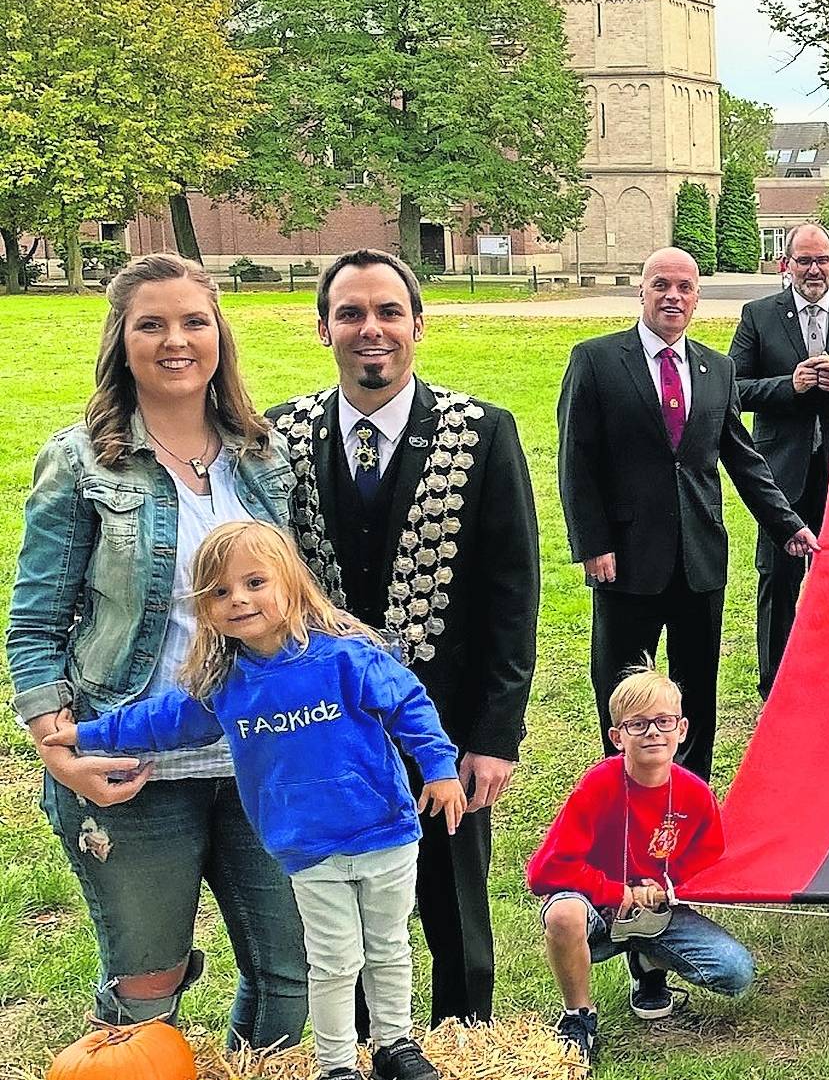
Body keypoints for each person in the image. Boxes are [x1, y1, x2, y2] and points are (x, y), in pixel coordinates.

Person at [5, 254, 308, 1046]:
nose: (177, 340)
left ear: (219, 335)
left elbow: (309, 605)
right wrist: (58, 753)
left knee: (293, 977)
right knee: (147, 988)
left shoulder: (265, 457)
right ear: (121, 340)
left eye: (194, 321)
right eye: (153, 324)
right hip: (131, 770)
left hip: (259, 758)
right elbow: (34, 628)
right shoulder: (81, 462)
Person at [49, 521, 467, 1080]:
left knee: (389, 946)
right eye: (220, 592)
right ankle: (337, 1064)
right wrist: (86, 735)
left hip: (384, 830)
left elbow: (410, 707)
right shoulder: (227, 684)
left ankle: (394, 1044)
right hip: (305, 848)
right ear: (205, 607)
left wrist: (440, 769)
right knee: (333, 961)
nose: (238, 599)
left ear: (290, 583)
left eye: (254, 582)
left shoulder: (346, 658)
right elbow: (166, 721)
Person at [268, 248, 540, 1029]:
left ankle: (462, 1037)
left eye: (388, 311)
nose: (370, 329)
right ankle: (352, 1046)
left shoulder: (480, 431)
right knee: (337, 913)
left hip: (445, 728)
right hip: (328, 732)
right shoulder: (283, 435)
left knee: (454, 904)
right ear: (323, 327)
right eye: (350, 313)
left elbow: (512, 596)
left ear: (418, 323)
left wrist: (494, 735)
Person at [556, 246, 818, 781]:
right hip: (626, 558)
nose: (673, 297)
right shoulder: (597, 360)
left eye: (685, 287)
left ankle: (691, 787)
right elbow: (575, 460)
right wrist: (592, 544)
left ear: (697, 297)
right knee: (622, 682)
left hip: (700, 556)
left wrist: (787, 525)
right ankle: (623, 787)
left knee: (697, 683)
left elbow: (743, 459)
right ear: (643, 290)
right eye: (662, 285)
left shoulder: (716, 369)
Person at [528, 668, 752, 1067]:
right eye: (638, 724)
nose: (653, 733)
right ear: (618, 737)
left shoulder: (695, 794)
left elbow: (709, 858)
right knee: (564, 914)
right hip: (596, 909)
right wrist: (617, 892)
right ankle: (578, 1015)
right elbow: (544, 871)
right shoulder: (597, 787)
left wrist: (668, 886)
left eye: (664, 721)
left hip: (656, 912)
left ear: (681, 729)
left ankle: (647, 963)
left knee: (735, 972)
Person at [728, 223, 829, 697]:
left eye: (822, 259)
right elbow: (730, 390)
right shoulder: (759, 317)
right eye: (804, 260)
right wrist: (788, 385)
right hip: (782, 477)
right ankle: (776, 685)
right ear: (787, 265)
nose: (814, 269)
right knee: (778, 582)